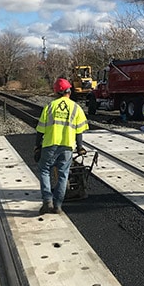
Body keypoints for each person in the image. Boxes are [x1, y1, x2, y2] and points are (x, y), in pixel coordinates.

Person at [34, 78, 89, 214]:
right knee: (63, 174)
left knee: (44, 171)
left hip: (49, 145)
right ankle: (58, 205)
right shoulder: (76, 108)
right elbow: (79, 131)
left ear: (56, 92)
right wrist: (80, 147)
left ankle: (47, 201)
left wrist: (37, 146)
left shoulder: (50, 106)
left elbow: (40, 130)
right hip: (67, 147)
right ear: (69, 91)